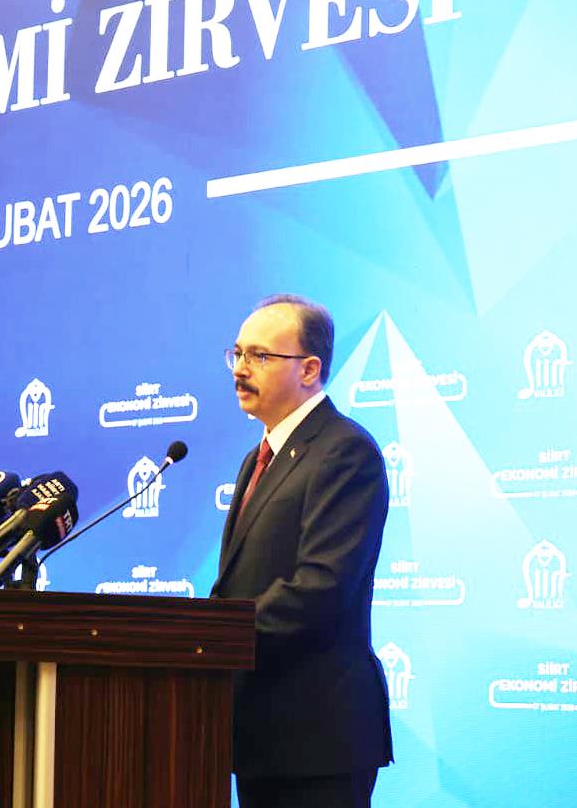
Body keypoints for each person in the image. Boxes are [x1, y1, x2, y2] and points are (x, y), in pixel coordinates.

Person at [211, 294, 393, 808]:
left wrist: (215, 637)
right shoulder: (259, 456)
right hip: (261, 730)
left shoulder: (344, 450)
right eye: (237, 354)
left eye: (260, 356)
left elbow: (321, 586)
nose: (240, 369)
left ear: (310, 369)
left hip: (317, 734)